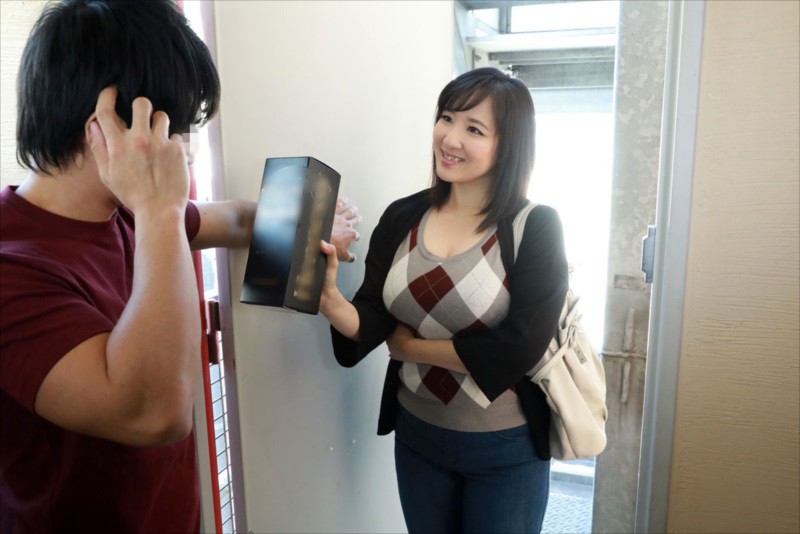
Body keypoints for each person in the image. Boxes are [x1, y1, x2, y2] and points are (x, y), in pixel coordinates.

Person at [0, 1, 360, 532]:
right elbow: (155, 413)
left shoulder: (126, 214)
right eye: (175, 131)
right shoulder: (15, 266)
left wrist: (315, 226)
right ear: (105, 126)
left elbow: (237, 220)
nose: (185, 155)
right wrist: (158, 207)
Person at [318, 67, 569, 533]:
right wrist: (330, 298)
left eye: (474, 129)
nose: (450, 139)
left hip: (505, 448)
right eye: (447, 118)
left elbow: (517, 350)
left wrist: (413, 349)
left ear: (508, 145)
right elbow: (372, 316)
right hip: (418, 437)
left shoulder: (535, 226)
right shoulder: (403, 216)